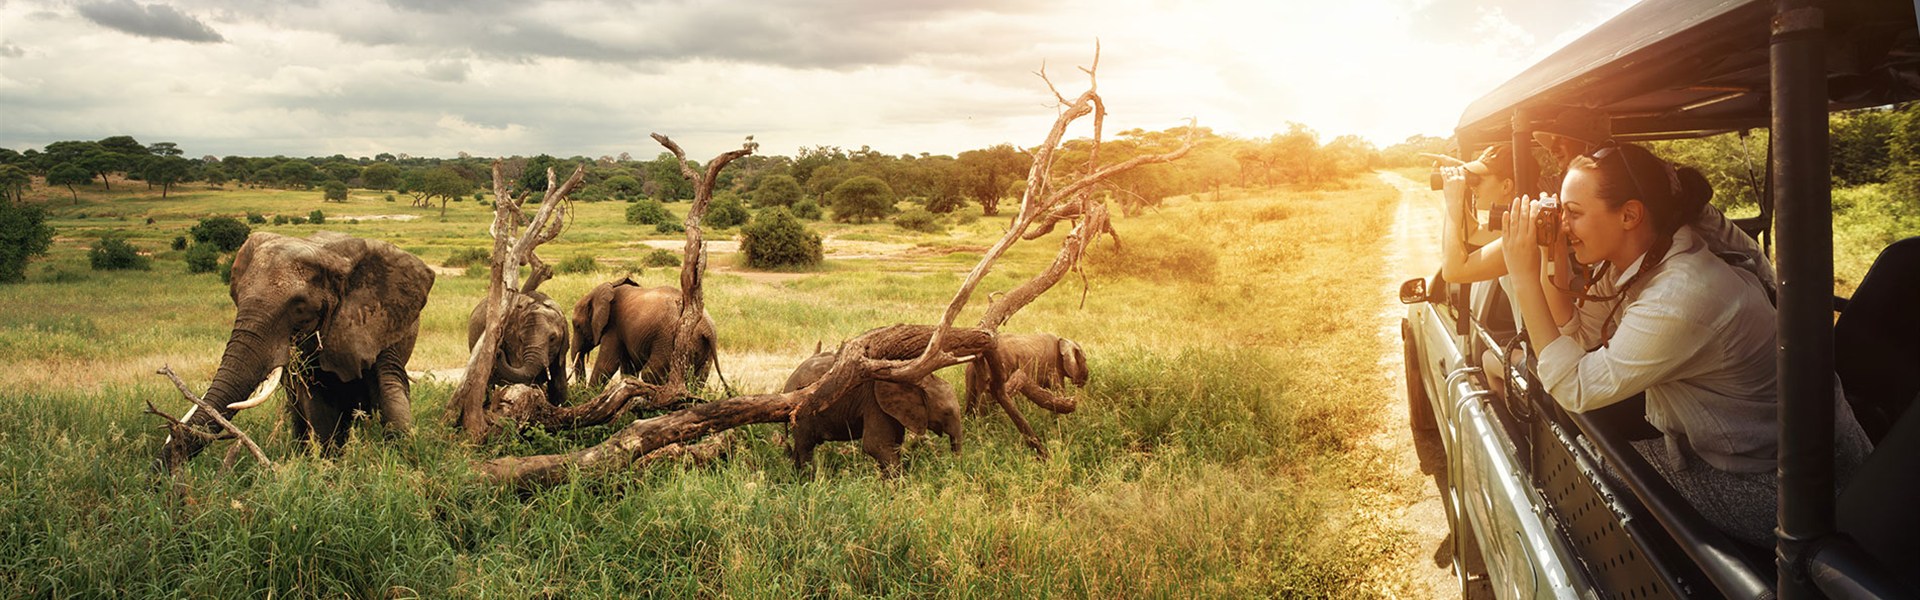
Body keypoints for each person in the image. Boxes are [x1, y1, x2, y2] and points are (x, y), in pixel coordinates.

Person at [1500, 142, 1870, 546]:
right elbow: (1579, 333)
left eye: (1573, 214)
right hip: (1779, 453)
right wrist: (1549, 253)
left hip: (1792, 489)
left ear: (1629, 215)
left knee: (1593, 458)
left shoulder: (1683, 293)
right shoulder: (1646, 256)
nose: (1564, 225)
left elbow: (1575, 388)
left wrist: (1522, 277)